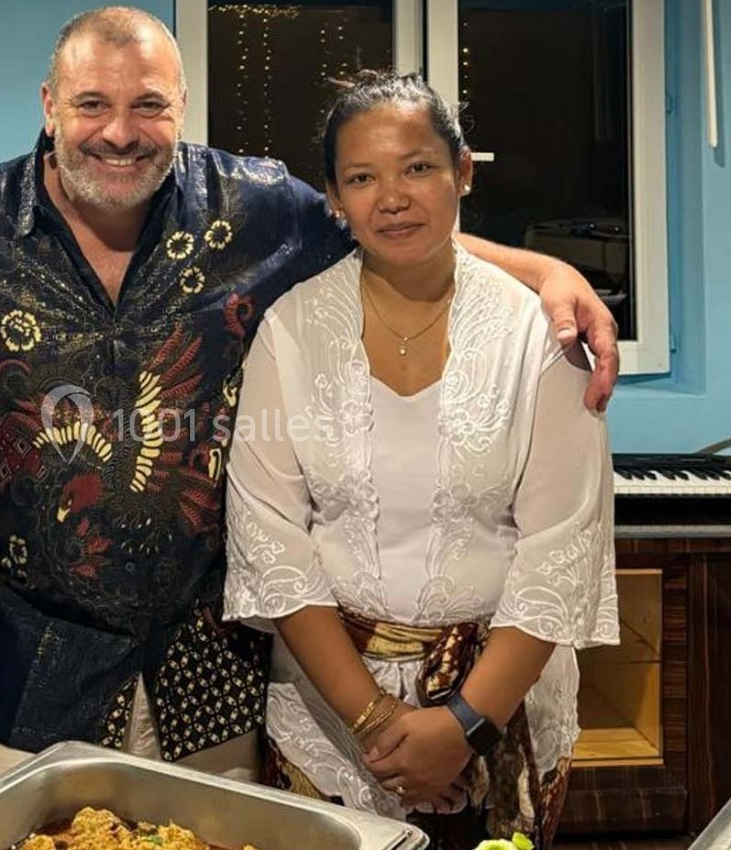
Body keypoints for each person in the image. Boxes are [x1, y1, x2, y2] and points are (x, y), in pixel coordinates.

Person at [0, 7, 619, 788]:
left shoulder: (259, 211)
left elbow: (392, 224)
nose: (118, 131)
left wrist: (540, 271)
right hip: (29, 677)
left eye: (147, 104)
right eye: (91, 104)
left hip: (216, 671)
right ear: (48, 104)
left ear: (182, 106)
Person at [222, 70, 617, 850]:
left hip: (501, 714)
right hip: (329, 720)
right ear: (334, 197)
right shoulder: (293, 328)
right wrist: (375, 718)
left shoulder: (537, 335)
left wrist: (463, 724)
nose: (392, 198)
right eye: (362, 178)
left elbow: (561, 544)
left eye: (417, 168)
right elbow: (270, 538)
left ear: (462, 171)